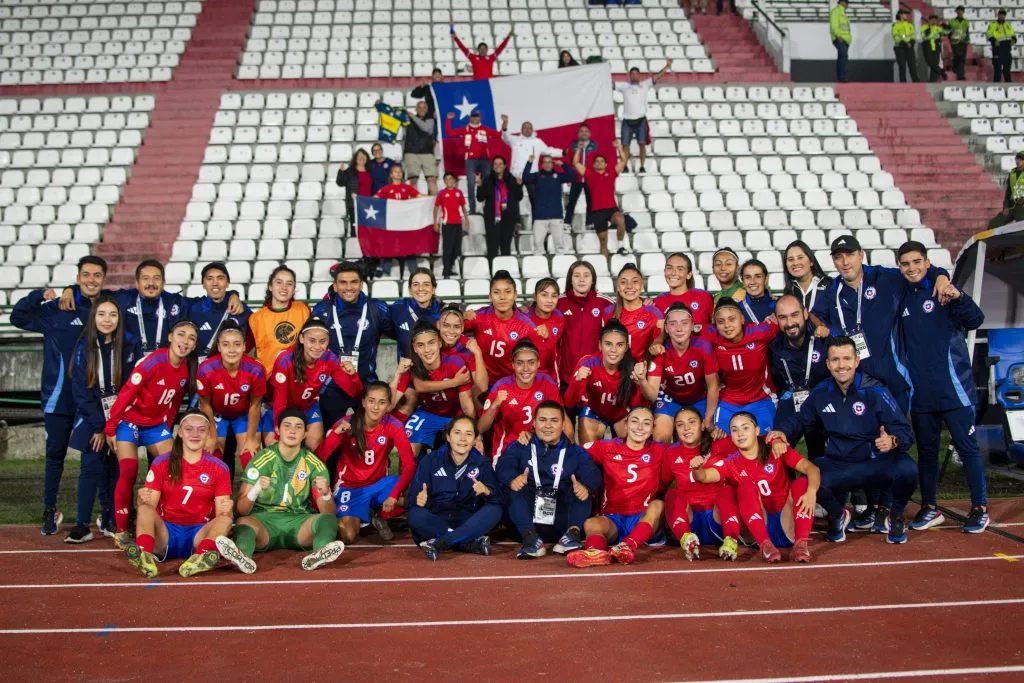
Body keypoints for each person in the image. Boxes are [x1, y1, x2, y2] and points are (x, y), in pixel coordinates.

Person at [769, 336, 918, 546]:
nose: (841, 365)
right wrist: (781, 432)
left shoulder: (875, 390)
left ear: (857, 361)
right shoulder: (821, 392)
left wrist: (893, 441)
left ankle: (897, 514)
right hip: (839, 463)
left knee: (908, 469)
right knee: (806, 478)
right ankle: (838, 514)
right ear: (828, 364)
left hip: (873, 462)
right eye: (836, 360)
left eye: (847, 359)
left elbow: (905, 432)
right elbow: (800, 419)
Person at [896, 242, 989, 533]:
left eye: (916, 262)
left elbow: (976, 320)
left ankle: (979, 508)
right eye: (905, 264)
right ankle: (930, 507)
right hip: (921, 393)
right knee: (926, 452)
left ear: (926, 262)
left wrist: (956, 293)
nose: (911, 268)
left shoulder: (945, 290)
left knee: (967, 449)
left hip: (954, 390)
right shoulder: (901, 295)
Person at [11, 255, 108, 535]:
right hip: (59, 399)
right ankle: (50, 510)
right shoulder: (58, 308)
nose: (92, 280)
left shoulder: (108, 308)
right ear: (78, 278)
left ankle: (104, 513)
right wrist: (40, 294)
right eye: (86, 275)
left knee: (95, 457)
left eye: (97, 275)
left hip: (91, 401)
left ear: (104, 279)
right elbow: (18, 317)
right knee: (55, 456)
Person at [811, 234, 951, 416]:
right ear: (834, 262)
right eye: (838, 257)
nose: (845, 262)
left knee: (897, 434)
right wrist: (820, 326)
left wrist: (941, 276)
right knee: (865, 433)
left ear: (861, 255)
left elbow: (917, 271)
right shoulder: (833, 291)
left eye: (850, 255)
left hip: (892, 373)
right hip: (858, 378)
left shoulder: (883, 277)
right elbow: (813, 315)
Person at [215, 409, 345, 573]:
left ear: (305, 433)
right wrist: (255, 490)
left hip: (299, 522)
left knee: (328, 521)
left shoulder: (314, 464)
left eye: (298, 427)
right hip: (264, 522)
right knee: (243, 523)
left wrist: (325, 493)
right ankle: (242, 555)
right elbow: (241, 510)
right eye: (287, 426)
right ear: (277, 430)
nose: (292, 431)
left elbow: (329, 513)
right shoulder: (261, 459)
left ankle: (319, 554)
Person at [105, 319, 198, 546]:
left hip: (155, 426)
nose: (185, 342)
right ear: (170, 337)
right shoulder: (153, 362)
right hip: (129, 422)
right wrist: (111, 427)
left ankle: (169, 521)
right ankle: (120, 530)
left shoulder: (185, 370)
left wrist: (166, 425)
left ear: (194, 346)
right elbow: (127, 393)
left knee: (175, 467)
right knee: (129, 469)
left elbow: (175, 401)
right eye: (181, 335)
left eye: (191, 338)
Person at [695, 412, 820, 563]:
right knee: (744, 486)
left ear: (757, 431)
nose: (740, 434)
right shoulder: (731, 462)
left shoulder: (775, 448)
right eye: (734, 430)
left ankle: (801, 544)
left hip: (786, 522)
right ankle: (765, 546)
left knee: (802, 484)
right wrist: (697, 469)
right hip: (758, 527)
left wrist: (812, 492)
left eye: (745, 428)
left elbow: (812, 469)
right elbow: (704, 477)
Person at [65, 295, 141, 543]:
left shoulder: (129, 343)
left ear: (120, 318)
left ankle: (112, 519)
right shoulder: (83, 347)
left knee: (118, 470)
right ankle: (81, 524)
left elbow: (133, 386)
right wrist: (100, 427)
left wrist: (115, 424)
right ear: (93, 317)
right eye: (101, 314)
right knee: (90, 468)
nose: (107, 320)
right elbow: (80, 391)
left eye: (112, 314)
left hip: (120, 417)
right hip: (93, 418)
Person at [124, 410, 233, 578]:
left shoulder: (219, 468)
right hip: (166, 533)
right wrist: (141, 500)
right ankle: (144, 555)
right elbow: (149, 506)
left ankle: (200, 558)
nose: (195, 434)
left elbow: (221, 513)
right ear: (180, 433)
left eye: (201, 430)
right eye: (189, 429)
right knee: (145, 509)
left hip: (197, 534)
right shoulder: (162, 462)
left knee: (226, 519)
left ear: (209, 433)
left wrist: (228, 510)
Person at [498, 401, 601, 558]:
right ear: (533, 423)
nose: (548, 425)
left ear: (563, 424)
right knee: (513, 489)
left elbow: (593, 474)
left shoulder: (575, 452)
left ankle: (572, 536)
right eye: (542, 420)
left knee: (581, 490)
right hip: (526, 521)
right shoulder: (520, 446)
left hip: (561, 522)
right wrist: (512, 479)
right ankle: (531, 539)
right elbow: (502, 466)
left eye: (554, 421)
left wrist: (586, 487)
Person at [567, 407, 666, 568]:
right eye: (635, 421)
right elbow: (573, 452)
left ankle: (627, 546)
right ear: (625, 425)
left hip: (643, 519)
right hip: (613, 518)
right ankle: (594, 553)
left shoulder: (660, 450)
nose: (640, 427)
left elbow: (685, 453)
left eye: (646, 423)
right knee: (591, 524)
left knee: (658, 505)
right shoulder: (607, 447)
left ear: (653, 428)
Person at [318, 382, 416, 544]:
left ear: (388, 405)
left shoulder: (393, 425)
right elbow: (320, 457)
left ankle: (379, 513)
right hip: (350, 488)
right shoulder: (347, 423)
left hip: (379, 486)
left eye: (382, 402)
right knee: (348, 536)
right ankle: (324, 528)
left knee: (414, 493)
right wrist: (335, 435)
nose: (376, 407)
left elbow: (409, 464)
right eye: (371, 401)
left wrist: (392, 495)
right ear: (363, 402)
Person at [310, 262, 395, 424]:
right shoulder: (322, 310)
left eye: (354, 282)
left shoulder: (377, 308)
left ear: (361, 284)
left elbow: (400, 335)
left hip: (366, 384)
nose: (349, 287)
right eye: (343, 282)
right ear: (335, 286)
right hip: (331, 385)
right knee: (332, 437)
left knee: (366, 438)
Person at [409, 416, 504, 560]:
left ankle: (441, 542)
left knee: (496, 510)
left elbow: (499, 498)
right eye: (457, 433)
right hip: (437, 519)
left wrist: (487, 491)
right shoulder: (431, 460)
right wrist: (420, 500)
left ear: (474, 440)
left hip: (468, 519)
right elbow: (412, 499)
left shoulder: (482, 463)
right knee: (415, 515)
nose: (463, 439)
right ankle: (467, 542)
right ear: (448, 436)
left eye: (468, 434)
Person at [263, 318, 363, 451]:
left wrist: (352, 375)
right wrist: (279, 430)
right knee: (274, 445)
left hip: (308, 407)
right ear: (302, 339)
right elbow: (280, 399)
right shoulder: (285, 360)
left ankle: (312, 471)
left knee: (315, 446)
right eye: (312, 340)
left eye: (322, 341)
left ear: (328, 341)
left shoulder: (329, 358)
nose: (317, 346)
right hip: (283, 407)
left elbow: (353, 392)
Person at [661, 406, 742, 561]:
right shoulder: (671, 453)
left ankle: (731, 540)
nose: (686, 428)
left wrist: (776, 437)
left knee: (727, 491)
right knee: (672, 494)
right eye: (680, 424)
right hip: (691, 522)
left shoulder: (719, 444)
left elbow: (751, 446)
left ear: (702, 425)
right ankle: (687, 540)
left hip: (719, 517)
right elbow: (662, 484)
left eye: (692, 422)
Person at [644, 303, 720, 442]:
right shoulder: (660, 351)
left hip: (699, 398)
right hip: (670, 398)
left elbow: (713, 386)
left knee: (705, 437)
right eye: (673, 324)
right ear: (666, 328)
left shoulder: (703, 347)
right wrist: (641, 381)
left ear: (692, 325)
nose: (679, 329)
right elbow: (652, 395)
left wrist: (708, 419)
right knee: (661, 437)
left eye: (684, 323)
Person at [399, 324, 477, 458]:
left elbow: (467, 403)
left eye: (431, 343)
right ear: (415, 348)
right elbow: (418, 387)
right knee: (407, 450)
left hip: (455, 415)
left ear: (440, 343)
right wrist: (454, 382)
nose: (427, 349)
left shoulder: (455, 362)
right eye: (421, 345)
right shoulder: (413, 365)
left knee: (459, 453)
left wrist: (474, 432)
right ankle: (409, 478)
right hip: (428, 413)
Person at [478, 340, 563, 462]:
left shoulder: (547, 382)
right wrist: (495, 405)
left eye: (531, 362)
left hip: (542, 447)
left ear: (538, 363)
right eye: (520, 363)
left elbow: (562, 421)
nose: (525, 368)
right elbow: (481, 428)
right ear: (512, 365)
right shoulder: (501, 386)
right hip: (507, 451)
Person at [196, 320, 266, 469]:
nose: (232, 350)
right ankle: (215, 491)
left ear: (244, 346)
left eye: (237, 344)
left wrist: (251, 438)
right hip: (216, 413)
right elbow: (205, 405)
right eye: (226, 344)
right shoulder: (206, 368)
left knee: (251, 453)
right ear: (219, 347)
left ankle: (249, 492)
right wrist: (212, 436)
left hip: (243, 413)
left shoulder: (256, 368)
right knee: (212, 450)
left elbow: (255, 405)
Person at [702, 300, 779, 433]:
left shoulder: (760, 332)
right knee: (722, 442)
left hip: (760, 398)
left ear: (742, 319)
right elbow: (685, 327)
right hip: (727, 400)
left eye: (732, 319)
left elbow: (783, 320)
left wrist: (775, 317)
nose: (727, 325)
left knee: (763, 443)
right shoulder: (710, 333)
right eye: (721, 321)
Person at [770, 295, 830, 461]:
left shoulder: (823, 340)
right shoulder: (773, 347)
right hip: (792, 396)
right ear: (776, 319)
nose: (789, 323)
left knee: (821, 452)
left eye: (794, 315)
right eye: (783, 317)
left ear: (805, 313)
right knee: (777, 440)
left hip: (822, 398)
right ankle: (785, 483)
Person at [565, 321, 646, 443]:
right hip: (594, 412)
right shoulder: (588, 363)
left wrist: (641, 381)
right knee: (589, 453)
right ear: (600, 345)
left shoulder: (634, 366)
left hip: (622, 414)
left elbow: (639, 405)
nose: (613, 350)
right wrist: (578, 381)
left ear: (626, 347)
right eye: (608, 344)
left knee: (627, 452)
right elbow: (569, 402)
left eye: (619, 345)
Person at [463, 271, 545, 385]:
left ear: (515, 295)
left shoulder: (527, 326)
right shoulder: (478, 317)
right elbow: (449, 328)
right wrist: (460, 315)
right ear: (490, 296)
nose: (502, 297)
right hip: (482, 384)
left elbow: (536, 362)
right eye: (496, 292)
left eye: (508, 292)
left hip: (512, 385)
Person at [556, 261, 614, 397]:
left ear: (593, 279)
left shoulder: (605, 302)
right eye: (577, 275)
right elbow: (536, 310)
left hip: (595, 376)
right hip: (566, 378)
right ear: (570, 279)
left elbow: (628, 308)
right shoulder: (559, 303)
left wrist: (644, 300)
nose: (581, 279)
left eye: (586, 275)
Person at [246, 265, 311, 375]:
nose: (284, 287)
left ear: (294, 289)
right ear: (270, 286)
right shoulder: (256, 318)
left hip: (300, 377)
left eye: (289, 283)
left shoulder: (304, 310)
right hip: (269, 382)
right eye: (279, 282)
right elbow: (243, 351)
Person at [112, 260, 187, 354]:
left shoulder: (176, 302)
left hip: (164, 363)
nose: (151, 283)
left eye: (156, 278)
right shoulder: (123, 299)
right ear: (137, 283)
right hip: (130, 365)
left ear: (163, 283)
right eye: (145, 278)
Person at [573, 139, 629, 259]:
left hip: (611, 208)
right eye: (597, 161)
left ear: (606, 164)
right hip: (597, 211)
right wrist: (579, 148)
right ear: (593, 165)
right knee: (603, 242)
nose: (599, 163)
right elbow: (576, 163)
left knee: (620, 218)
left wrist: (619, 147)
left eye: (601, 161)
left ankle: (620, 246)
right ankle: (605, 266)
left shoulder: (612, 173)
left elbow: (624, 160)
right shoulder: (589, 175)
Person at [187, 262, 252, 363]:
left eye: (220, 278)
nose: (215, 283)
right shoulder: (193, 308)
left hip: (231, 370)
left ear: (227, 283)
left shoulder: (240, 308)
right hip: (200, 371)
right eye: (209, 279)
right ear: (203, 284)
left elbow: (253, 339)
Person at [614, 62, 671, 174]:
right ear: (629, 75)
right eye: (632, 74)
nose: (634, 76)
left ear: (639, 75)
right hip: (627, 121)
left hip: (640, 120)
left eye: (636, 74)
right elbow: (611, 84)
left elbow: (658, 76)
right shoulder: (624, 86)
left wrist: (667, 66)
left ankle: (642, 166)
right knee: (625, 144)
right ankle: (624, 165)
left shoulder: (645, 84)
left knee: (642, 144)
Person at [602, 264, 664, 363]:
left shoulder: (655, 313)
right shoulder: (608, 313)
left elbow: (659, 340)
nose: (629, 286)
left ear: (642, 285)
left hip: (642, 371)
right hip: (615, 372)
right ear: (617, 287)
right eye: (623, 282)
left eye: (635, 281)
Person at [445, 109, 502, 215]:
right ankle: (472, 208)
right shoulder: (465, 129)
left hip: (484, 160)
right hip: (470, 160)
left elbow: (498, 135)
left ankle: (489, 207)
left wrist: (504, 123)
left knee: (488, 183)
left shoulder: (485, 129)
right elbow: (450, 133)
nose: (475, 118)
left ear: (480, 117)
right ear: (470, 117)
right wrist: (449, 120)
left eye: (477, 116)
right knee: (471, 183)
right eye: (473, 116)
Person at [522, 153, 575, 254]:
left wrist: (562, 165)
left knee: (559, 247)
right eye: (545, 162)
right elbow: (525, 177)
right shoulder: (537, 176)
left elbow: (572, 175)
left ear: (552, 164)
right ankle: (539, 269)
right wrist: (529, 162)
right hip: (540, 217)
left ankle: (560, 268)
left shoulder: (558, 176)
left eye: (549, 162)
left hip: (556, 216)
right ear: (541, 164)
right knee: (538, 247)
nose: (547, 164)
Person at [376, 165, 422, 278]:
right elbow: (374, 198)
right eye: (395, 172)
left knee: (409, 246)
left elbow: (420, 196)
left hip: (405, 223)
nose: (398, 173)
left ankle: (414, 272)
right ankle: (386, 272)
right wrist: (360, 200)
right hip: (391, 223)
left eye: (400, 172)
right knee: (388, 247)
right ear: (391, 175)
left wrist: (433, 197)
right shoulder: (386, 188)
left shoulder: (407, 188)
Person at [389, 267, 444, 361]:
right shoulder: (398, 308)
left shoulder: (443, 312)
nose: (421, 289)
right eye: (415, 285)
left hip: (437, 372)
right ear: (410, 289)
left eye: (426, 284)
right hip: (408, 372)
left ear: (433, 289)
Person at [652, 252, 714, 333]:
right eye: (669, 268)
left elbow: (715, 327)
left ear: (689, 274)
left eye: (680, 269)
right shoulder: (657, 302)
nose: (673, 273)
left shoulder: (704, 297)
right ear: (664, 271)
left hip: (702, 345)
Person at [476, 155, 523, 260]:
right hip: (492, 219)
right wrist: (479, 185)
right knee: (492, 247)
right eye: (495, 164)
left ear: (505, 166)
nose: (498, 166)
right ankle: (493, 270)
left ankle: (505, 271)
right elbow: (480, 198)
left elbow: (518, 197)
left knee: (506, 246)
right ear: (493, 166)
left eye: (500, 164)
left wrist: (519, 185)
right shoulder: (488, 180)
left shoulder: (511, 179)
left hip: (508, 218)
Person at [437, 305, 489, 397]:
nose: (451, 331)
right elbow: (419, 385)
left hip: (460, 403)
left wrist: (478, 353)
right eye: (446, 325)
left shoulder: (468, 348)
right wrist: (454, 382)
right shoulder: (429, 343)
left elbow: (483, 387)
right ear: (438, 325)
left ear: (462, 328)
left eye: (456, 327)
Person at [527, 278, 566, 382]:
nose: (549, 300)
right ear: (535, 296)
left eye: (554, 296)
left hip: (550, 376)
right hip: (526, 374)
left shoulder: (559, 318)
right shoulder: (524, 318)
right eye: (544, 295)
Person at [500, 115, 560, 183]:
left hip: (532, 175)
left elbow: (549, 151)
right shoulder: (515, 140)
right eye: (525, 127)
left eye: (529, 128)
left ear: (532, 129)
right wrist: (505, 122)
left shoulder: (537, 141)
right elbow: (505, 136)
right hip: (516, 175)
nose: (527, 129)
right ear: (521, 130)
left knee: (534, 194)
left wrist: (562, 152)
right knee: (516, 193)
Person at [434, 172, 469, 278]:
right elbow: (436, 208)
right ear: (444, 181)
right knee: (447, 247)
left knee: (457, 248)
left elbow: (463, 206)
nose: (449, 181)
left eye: (451, 179)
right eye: (447, 179)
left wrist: (466, 219)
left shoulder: (459, 192)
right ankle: (446, 270)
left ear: (454, 181)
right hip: (447, 224)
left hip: (458, 223)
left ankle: (451, 266)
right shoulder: (442, 193)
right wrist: (435, 222)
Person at [782, 239, 833, 313]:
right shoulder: (788, 292)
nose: (795, 263)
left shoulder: (830, 285)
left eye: (800, 257)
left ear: (811, 261)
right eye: (790, 259)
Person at [563, 123, 598, 226]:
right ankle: (567, 222)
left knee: (591, 201)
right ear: (578, 134)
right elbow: (568, 162)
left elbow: (598, 161)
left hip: (590, 179)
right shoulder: (573, 146)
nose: (584, 133)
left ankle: (590, 222)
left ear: (590, 133)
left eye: (586, 131)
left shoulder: (595, 146)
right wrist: (568, 177)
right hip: (576, 178)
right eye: (581, 131)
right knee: (572, 201)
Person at [336, 148, 373, 238]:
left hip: (369, 205)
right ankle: (355, 249)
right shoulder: (350, 171)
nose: (362, 158)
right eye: (359, 156)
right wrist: (341, 171)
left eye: (364, 156)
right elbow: (340, 183)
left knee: (368, 229)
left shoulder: (370, 171)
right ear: (355, 159)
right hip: (355, 205)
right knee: (356, 229)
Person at [403, 100, 438, 196]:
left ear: (427, 110)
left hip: (427, 153)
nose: (422, 109)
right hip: (411, 152)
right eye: (420, 107)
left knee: (432, 179)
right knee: (413, 180)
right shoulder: (407, 119)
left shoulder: (431, 120)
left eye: (424, 107)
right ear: (416, 109)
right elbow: (392, 116)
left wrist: (413, 117)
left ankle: (434, 204)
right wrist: (380, 106)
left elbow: (426, 128)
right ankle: (414, 205)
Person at [989, 151, 1024, 229]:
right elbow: (1008, 192)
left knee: (1021, 227)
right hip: (1012, 206)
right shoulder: (1012, 172)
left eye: (1021, 159)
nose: (1018, 161)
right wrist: (1005, 207)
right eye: (1017, 159)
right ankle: (989, 241)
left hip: (1022, 207)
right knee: (994, 223)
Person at [739, 259, 776, 323]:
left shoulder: (777, 306)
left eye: (758, 276)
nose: (752, 282)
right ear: (743, 281)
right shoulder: (737, 308)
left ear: (766, 279)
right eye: (748, 277)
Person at [987, 9, 1017, 83]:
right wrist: (994, 41)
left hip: (1007, 49)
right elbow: (988, 34)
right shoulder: (993, 24)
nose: (1002, 16)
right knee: (997, 70)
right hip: (998, 49)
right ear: (998, 15)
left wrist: (1014, 39)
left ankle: (1008, 87)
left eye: (1003, 15)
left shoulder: (1008, 25)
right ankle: (996, 88)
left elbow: (1013, 34)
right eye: (1001, 14)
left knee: (1007, 70)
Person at [892, 10, 920, 83]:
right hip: (900, 47)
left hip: (909, 46)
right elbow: (895, 35)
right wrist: (904, 42)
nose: (906, 16)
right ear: (900, 15)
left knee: (912, 65)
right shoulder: (896, 25)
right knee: (902, 65)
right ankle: (903, 82)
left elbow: (912, 35)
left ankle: (916, 81)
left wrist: (911, 41)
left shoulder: (910, 25)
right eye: (905, 14)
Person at [830, 0, 852, 82]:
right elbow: (834, 25)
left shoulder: (844, 14)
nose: (848, 4)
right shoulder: (836, 11)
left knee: (841, 57)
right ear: (842, 2)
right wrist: (839, 36)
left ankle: (840, 78)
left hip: (846, 40)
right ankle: (842, 77)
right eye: (847, 2)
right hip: (839, 38)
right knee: (844, 56)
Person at [921, 15, 947, 82]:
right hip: (927, 45)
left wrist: (945, 24)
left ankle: (932, 80)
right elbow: (925, 35)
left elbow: (946, 33)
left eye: (935, 20)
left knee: (935, 63)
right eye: (932, 19)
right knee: (930, 62)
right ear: (929, 20)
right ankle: (941, 71)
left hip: (936, 45)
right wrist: (929, 26)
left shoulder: (938, 28)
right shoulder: (924, 27)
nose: (934, 21)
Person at [947, 6, 970, 81]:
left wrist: (967, 40)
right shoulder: (952, 21)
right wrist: (951, 39)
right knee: (958, 57)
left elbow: (967, 31)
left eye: (961, 11)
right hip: (955, 42)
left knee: (962, 58)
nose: (960, 12)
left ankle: (958, 72)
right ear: (956, 12)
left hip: (963, 42)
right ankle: (960, 74)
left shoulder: (966, 21)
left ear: (963, 12)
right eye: (958, 11)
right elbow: (948, 31)